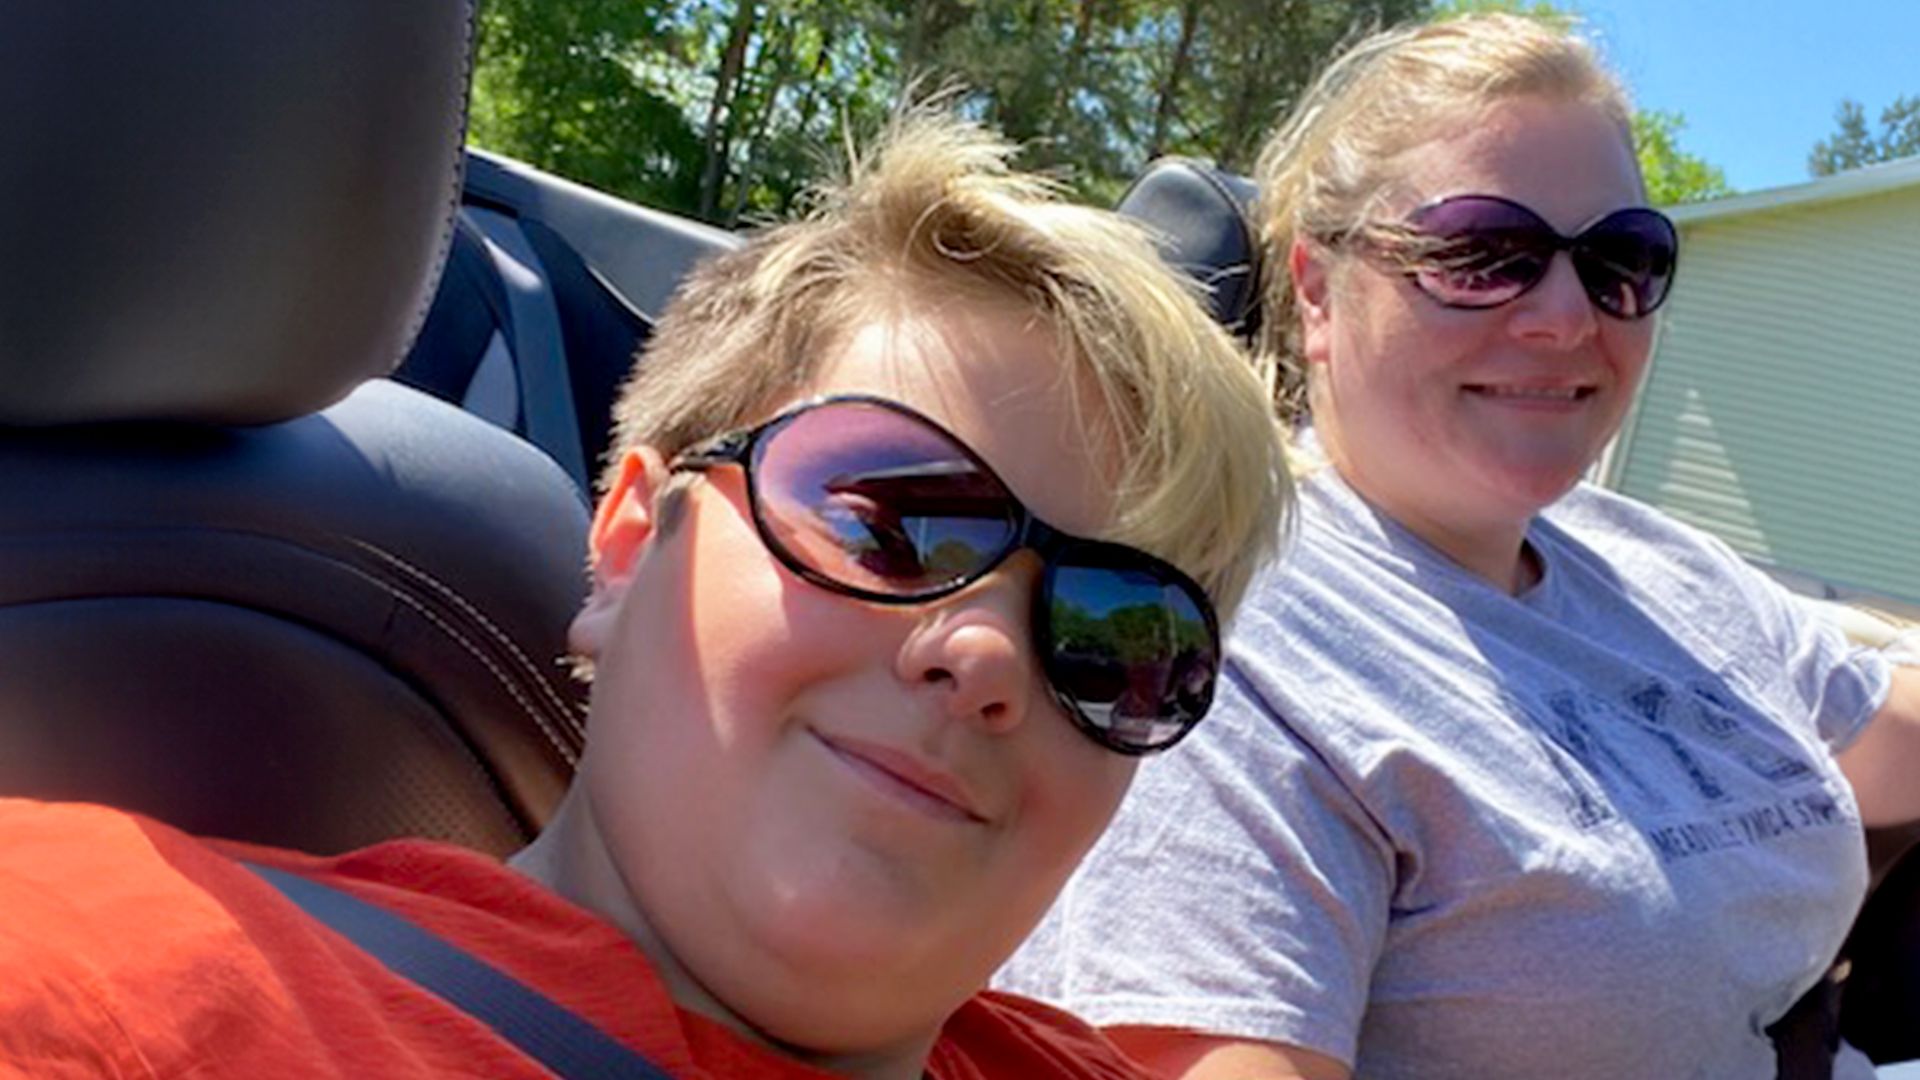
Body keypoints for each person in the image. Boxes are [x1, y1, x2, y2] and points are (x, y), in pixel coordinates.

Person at [0, 112, 1288, 1079]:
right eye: (885, 516)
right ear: (627, 547)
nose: (987, 653)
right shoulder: (147, 981)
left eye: (1119, 631)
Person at [995, 14, 1920, 1080]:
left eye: (1621, 260)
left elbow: (1883, 737)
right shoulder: (1230, 652)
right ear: (1316, 289)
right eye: (1483, 254)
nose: (1569, 319)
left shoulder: (1650, 559)